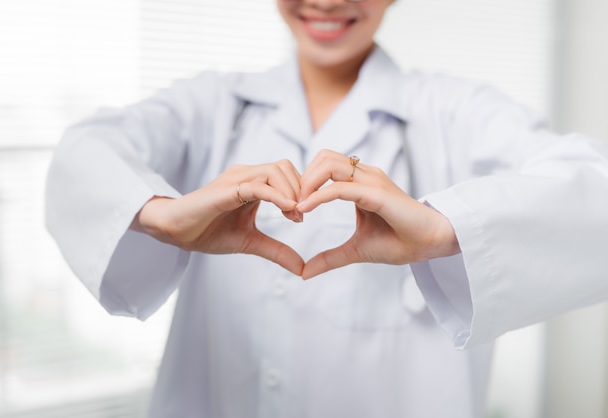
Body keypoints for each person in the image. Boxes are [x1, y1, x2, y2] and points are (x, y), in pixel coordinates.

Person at [45, 0, 608, 417]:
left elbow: (594, 189)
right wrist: (157, 213)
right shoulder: (213, 105)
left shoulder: (455, 110)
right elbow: (84, 151)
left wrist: (446, 229)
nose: (328, 1)